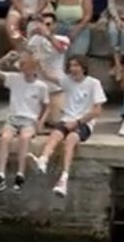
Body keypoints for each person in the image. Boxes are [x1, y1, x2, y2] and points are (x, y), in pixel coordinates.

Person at [31, 56, 107, 198]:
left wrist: (78, 122)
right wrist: (38, 62)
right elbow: (48, 76)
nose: (73, 69)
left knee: (71, 140)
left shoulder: (94, 83)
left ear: (83, 67)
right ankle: (43, 159)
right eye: (71, 65)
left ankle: (64, 178)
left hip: (83, 122)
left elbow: (97, 111)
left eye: (76, 66)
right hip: (67, 119)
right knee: (55, 135)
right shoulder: (67, 81)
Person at [0, 51, 50, 191]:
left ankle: (20, 173)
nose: (26, 70)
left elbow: (46, 107)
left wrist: (41, 122)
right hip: (13, 118)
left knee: (24, 138)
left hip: (29, 119)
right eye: (24, 67)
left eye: (29, 67)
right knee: (5, 138)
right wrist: (4, 58)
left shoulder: (41, 86)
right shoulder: (14, 78)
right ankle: (1, 173)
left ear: (35, 69)